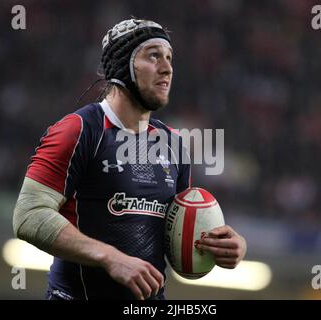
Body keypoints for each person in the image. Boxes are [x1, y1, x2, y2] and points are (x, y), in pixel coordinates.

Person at [13, 18, 246, 300]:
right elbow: (29, 215)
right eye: (153, 56)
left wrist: (224, 246)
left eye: (170, 58)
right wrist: (109, 257)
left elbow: (178, 240)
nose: (167, 68)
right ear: (123, 66)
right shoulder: (79, 130)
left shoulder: (174, 144)